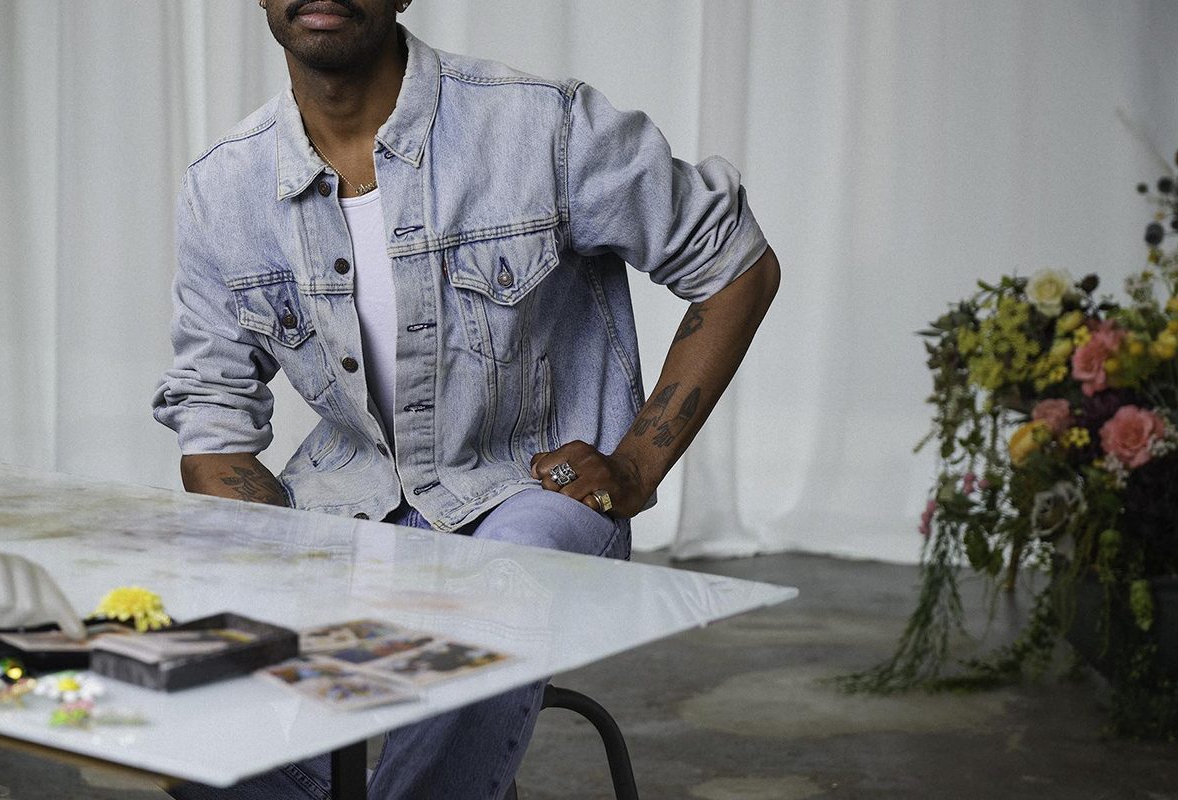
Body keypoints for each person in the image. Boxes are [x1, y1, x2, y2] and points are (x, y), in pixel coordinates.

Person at [153, 0, 780, 797]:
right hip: (348, 505)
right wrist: (268, 568)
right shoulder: (224, 188)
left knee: (491, 587)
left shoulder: (540, 127)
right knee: (181, 683)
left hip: (526, 495)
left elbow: (736, 265)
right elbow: (213, 421)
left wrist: (638, 462)